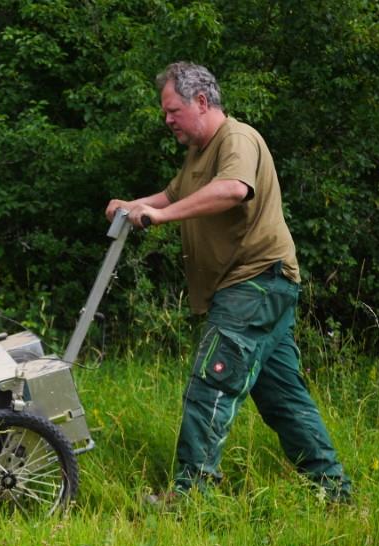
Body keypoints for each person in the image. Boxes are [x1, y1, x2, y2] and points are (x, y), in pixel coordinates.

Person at [106, 61, 352, 502]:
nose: (167, 120)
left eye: (172, 110)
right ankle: (334, 493)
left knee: (210, 382)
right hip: (257, 286)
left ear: (201, 102)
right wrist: (133, 204)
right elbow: (172, 196)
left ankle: (192, 496)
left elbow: (234, 189)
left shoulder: (236, 139)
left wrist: (159, 216)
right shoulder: (199, 152)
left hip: (254, 283)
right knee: (284, 400)